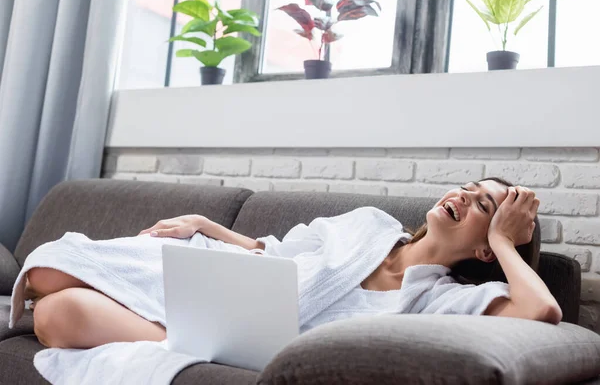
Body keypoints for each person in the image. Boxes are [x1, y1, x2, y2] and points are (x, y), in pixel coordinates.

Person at [20, 177, 561, 351]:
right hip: (226, 274)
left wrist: (508, 242)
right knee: (45, 269)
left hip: (242, 338)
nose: (463, 197)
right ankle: (152, 308)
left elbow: (543, 314)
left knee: (55, 314)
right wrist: (205, 226)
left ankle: (168, 329)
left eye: (482, 206)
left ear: (488, 245)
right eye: (466, 187)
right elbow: (275, 253)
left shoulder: (442, 298)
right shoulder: (369, 223)